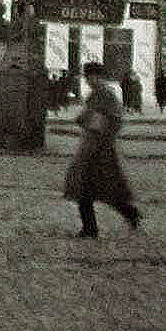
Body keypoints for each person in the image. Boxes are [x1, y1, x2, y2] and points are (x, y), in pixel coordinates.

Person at [64, 62, 141, 238]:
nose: (87, 81)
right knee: (96, 188)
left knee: (92, 187)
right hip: (94, 146)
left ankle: (93, 228)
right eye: (86, 77)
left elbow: (112, 120)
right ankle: (126, 215)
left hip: (100, 149)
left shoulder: (104, 94)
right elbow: (92, 116)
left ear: (97, 76)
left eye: (89, 77)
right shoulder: (98, 94)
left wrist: (90, 123)